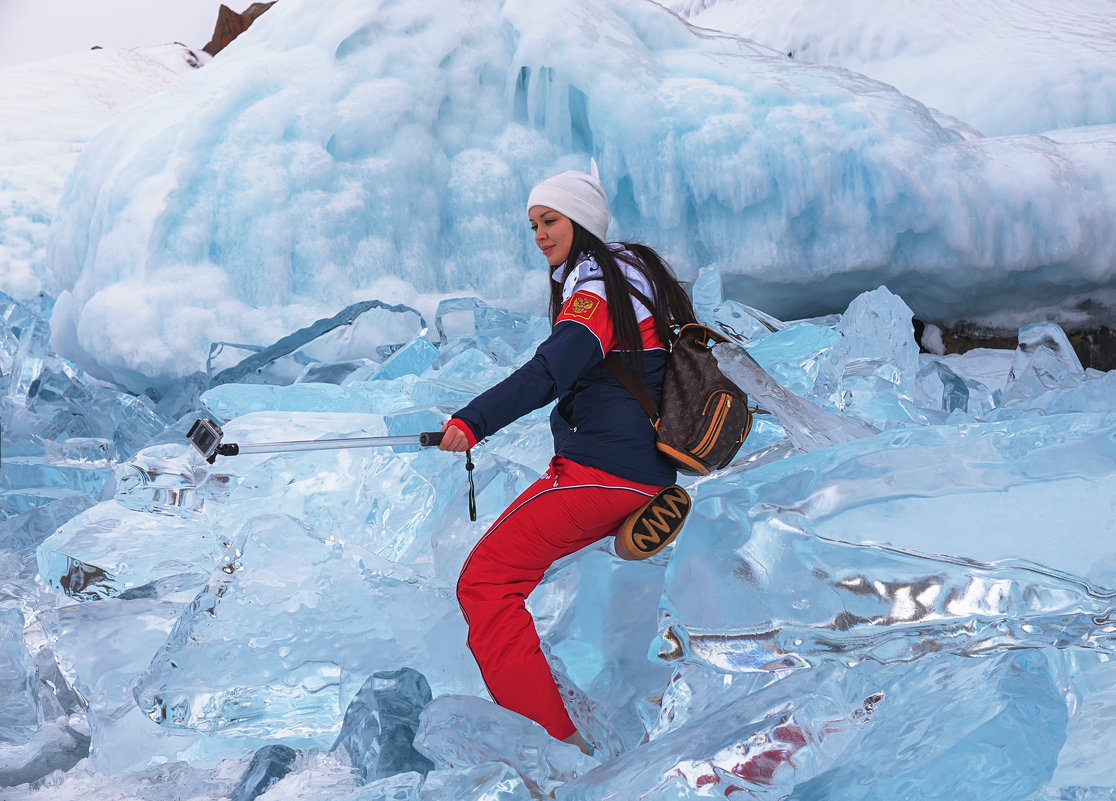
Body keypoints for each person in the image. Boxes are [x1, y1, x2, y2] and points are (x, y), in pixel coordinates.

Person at [437, 164, 696, 753]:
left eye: (549, 221)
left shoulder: (601, 292)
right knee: (524, 561)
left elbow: (551, 369)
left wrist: (471, 421)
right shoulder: (630, 277)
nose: (539, 237)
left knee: (486, 583)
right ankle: (627, 533)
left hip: (603, 474)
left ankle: (559, 750)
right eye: (532, 226)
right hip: (624, 468)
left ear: (581, 221)